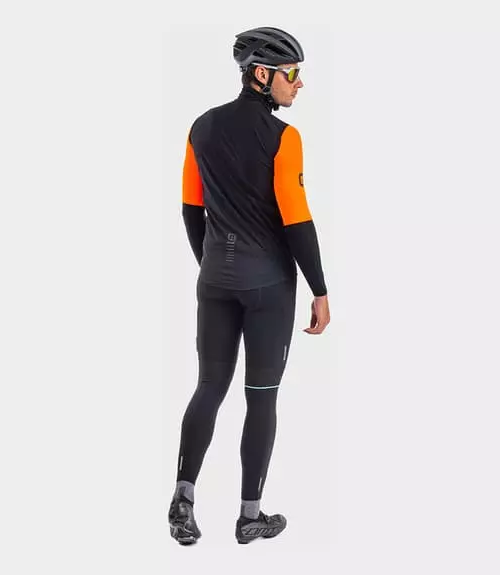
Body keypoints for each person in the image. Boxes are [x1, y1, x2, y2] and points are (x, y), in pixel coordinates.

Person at [168, 26, 330, 546]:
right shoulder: (285, 138)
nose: (298, 84)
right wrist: (320, 289)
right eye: (291, 73)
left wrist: (212, 264)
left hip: (215, 280)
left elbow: (191, 209)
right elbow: (296, 220)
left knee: (208, 388)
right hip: (269, 287)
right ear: (262, 74)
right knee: (260, 398)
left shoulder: (201, 127)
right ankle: (249, 517)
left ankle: (183, 497)